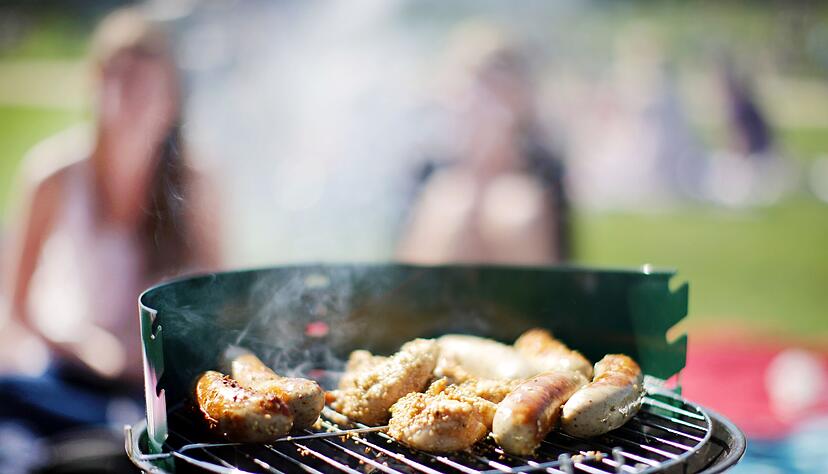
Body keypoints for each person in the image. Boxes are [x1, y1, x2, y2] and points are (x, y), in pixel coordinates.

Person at [0, 6, 220, 445]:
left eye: (146, 86)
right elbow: (18, 310)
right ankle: (114, 433)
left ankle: (114, 434)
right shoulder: (53, 176)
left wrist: (151, 358)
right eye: (120, 81)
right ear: (96, 85)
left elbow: (220, 306)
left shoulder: (198, 184)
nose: (130, 100)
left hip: (159, 378)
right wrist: (92, 351)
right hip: (70, 369)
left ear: (172, 100)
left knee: (167, 422)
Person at [398, 29, 569, 264]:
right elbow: (404, 268)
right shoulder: (429, 169)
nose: (482, 105)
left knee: (514, 209)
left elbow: (559, 268)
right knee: (451, 204)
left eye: (498, 90)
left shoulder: (544, 171)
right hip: (442, 295)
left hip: (522, 293)